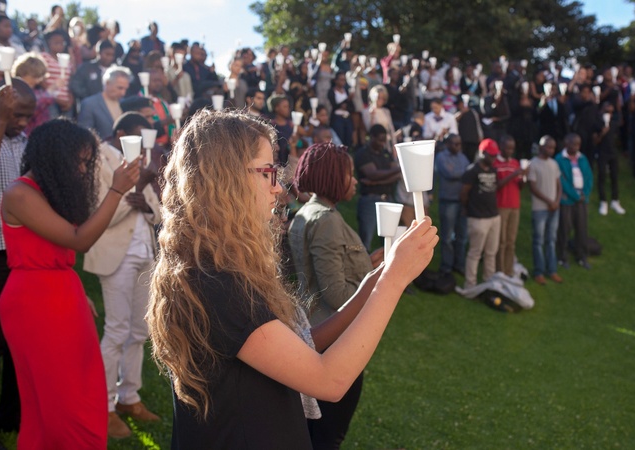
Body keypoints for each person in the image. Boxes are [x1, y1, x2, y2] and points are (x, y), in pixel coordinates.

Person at [146, 110, 437, 448]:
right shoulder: (217, 282)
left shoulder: (217, 266)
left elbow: (296, 350)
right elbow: (330, 380)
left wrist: (373, 283)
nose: (279, 189)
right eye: (268, 173)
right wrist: (394, 280)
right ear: (226, 179)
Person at [0, 119, 140, 448]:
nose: (81, 168)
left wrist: (73, 292)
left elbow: (61, 252)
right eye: (78, 160)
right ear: (54, 156)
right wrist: (117, 190)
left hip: (61, 294)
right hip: (34, 303)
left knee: (79, 389)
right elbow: (79, 240)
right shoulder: (19, 193)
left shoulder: (51, 193)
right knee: (60, 400)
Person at [288, 142, 382, 449]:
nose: (354, 180)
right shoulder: (326, 220)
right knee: (328, 435)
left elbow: (328, 273)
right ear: (331, 176)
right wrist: (384, 278)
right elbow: (337, 293)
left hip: (313, 330)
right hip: (333, 338)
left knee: (314, 431)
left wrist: (371, 263)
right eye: (349, 174)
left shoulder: (308, 211)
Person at [83, 113, 162, 439]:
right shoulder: (100, 159)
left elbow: (157, 212)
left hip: (145, 252)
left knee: (139, 330)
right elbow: (96, 214)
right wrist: (136, 191)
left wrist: (143, 198)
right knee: (116, 331)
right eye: (137, 133)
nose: (143, 139)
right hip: (116, 254)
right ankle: (104, 406)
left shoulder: (141, 161)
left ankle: (129, 396)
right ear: (119, 134)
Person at [0, 80, 36, 433]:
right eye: (16, 115)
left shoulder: (25, 145)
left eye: (27, 116)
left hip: (18, 254)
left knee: (16, 341)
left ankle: (10, 417)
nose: (23, 122)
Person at [460, 138, 500, 288]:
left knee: (491, 252)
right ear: (483, 153)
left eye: (496, 155)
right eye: (492, 155)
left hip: (494, 216)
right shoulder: (472, 171)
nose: (494, 158)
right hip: (478, 217)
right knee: (475, 253)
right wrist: (467, 208)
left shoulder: (493, 169)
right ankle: (470, 284)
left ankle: (489, 281)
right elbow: (464, 193)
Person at [354, 124, 401, 250]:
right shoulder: (363, 154)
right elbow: (372, 174)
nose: (382, 143)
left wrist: (376, 182)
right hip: (370, 200)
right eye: (380, 139)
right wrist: (395, 170)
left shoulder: (386, 153)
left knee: (389, 239)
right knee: (366, 238)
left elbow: (398, 175)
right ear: (371, 137)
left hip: (388, 198)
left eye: (384, 140)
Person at [555, 133, 593, 270]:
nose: (576, 147)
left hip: (582, 199)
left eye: (578, 144)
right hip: (567, 200)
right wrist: (575, 196)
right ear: (566, 144)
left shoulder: (582, 158)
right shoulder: (559, 159)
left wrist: (585, 193)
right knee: (565, 228)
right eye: (573, 144)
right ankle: (562, 257)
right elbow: (561, 181)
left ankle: (581, 256)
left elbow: (589, 177)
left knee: (582, 228)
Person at [529, 135, 562, 285]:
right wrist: (549, 201)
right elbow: (533, 188)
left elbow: (558, 184)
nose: (552, 150)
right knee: (538, 241)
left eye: (553, 147)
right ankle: (539, 271)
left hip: (554, 208)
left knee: (551, 240)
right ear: (541, 147)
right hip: (540, 208)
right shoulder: (533, 164)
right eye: (549, 147)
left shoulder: (554, 164)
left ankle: (552, 270)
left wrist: (556, 201)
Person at [434, 134, 469, 275]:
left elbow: (463, 173)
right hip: (448, 201)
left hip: (462, 201)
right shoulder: (441, 157)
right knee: (447, 237)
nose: (458, 146)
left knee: (462, 236)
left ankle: (459, 264)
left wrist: (459, 173)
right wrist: (463, 173)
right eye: (455, 144)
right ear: (448, 144)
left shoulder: (463, 157)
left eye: (459, 144)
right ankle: (446, 266)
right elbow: (449, 174)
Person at [493, 135, 525, 277]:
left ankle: (509, 269)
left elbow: (520, 186)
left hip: (514, 205)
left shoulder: (515, 163)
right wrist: (514, 175)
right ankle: (500, 270)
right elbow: (497, 186)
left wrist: (524, 177)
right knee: (501, 240)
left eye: (513, 148)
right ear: (501, 147)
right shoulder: (495, 164)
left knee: (511, 241)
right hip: (501, 205)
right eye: (508, 148)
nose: (510, 151)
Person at [77, 66, 131, 140]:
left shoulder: (125, 103)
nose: (123, 93)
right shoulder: (89, 104)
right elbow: (84, 135)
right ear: (107, 83)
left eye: (125, 89)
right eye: (120, 88)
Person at [594, 101, 626, 215]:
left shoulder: (614, 123)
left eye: (611, 112)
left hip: (613, 153)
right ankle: (603, 201)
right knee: (602, 177)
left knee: (614, 177)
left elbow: (617, 138)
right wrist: (602, 133)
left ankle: (615, 200)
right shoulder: (597, 123)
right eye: (607, 111)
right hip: (602, 153)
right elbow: (595, 141)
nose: (609, 114)